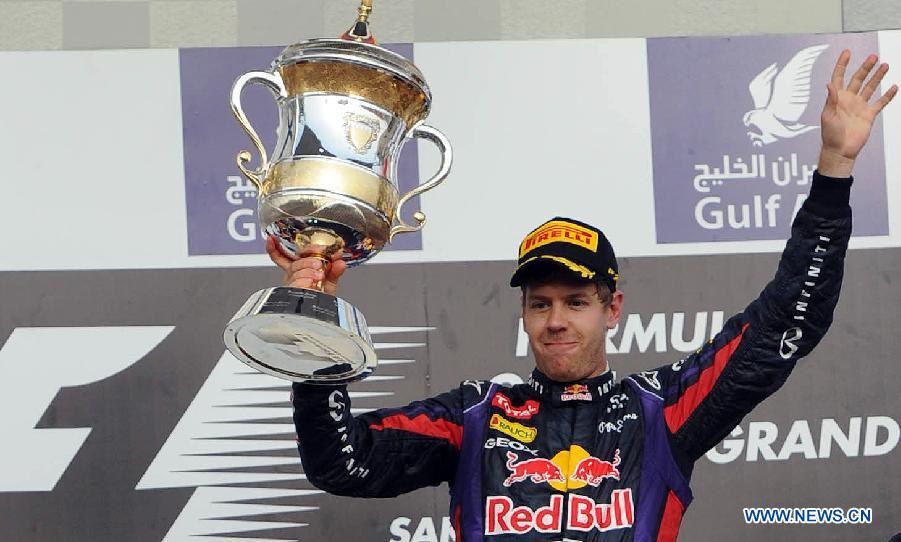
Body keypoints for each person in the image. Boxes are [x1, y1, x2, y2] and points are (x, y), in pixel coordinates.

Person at [266, 51, 896, 541]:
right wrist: (314, 319)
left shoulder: (661, 411)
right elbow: (342, 465)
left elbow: (787, 323)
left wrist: (835, 167)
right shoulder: (475, 417)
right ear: (523, 313)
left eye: (575, 301)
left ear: (612, 308)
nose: (556, 321)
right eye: (540, 304)